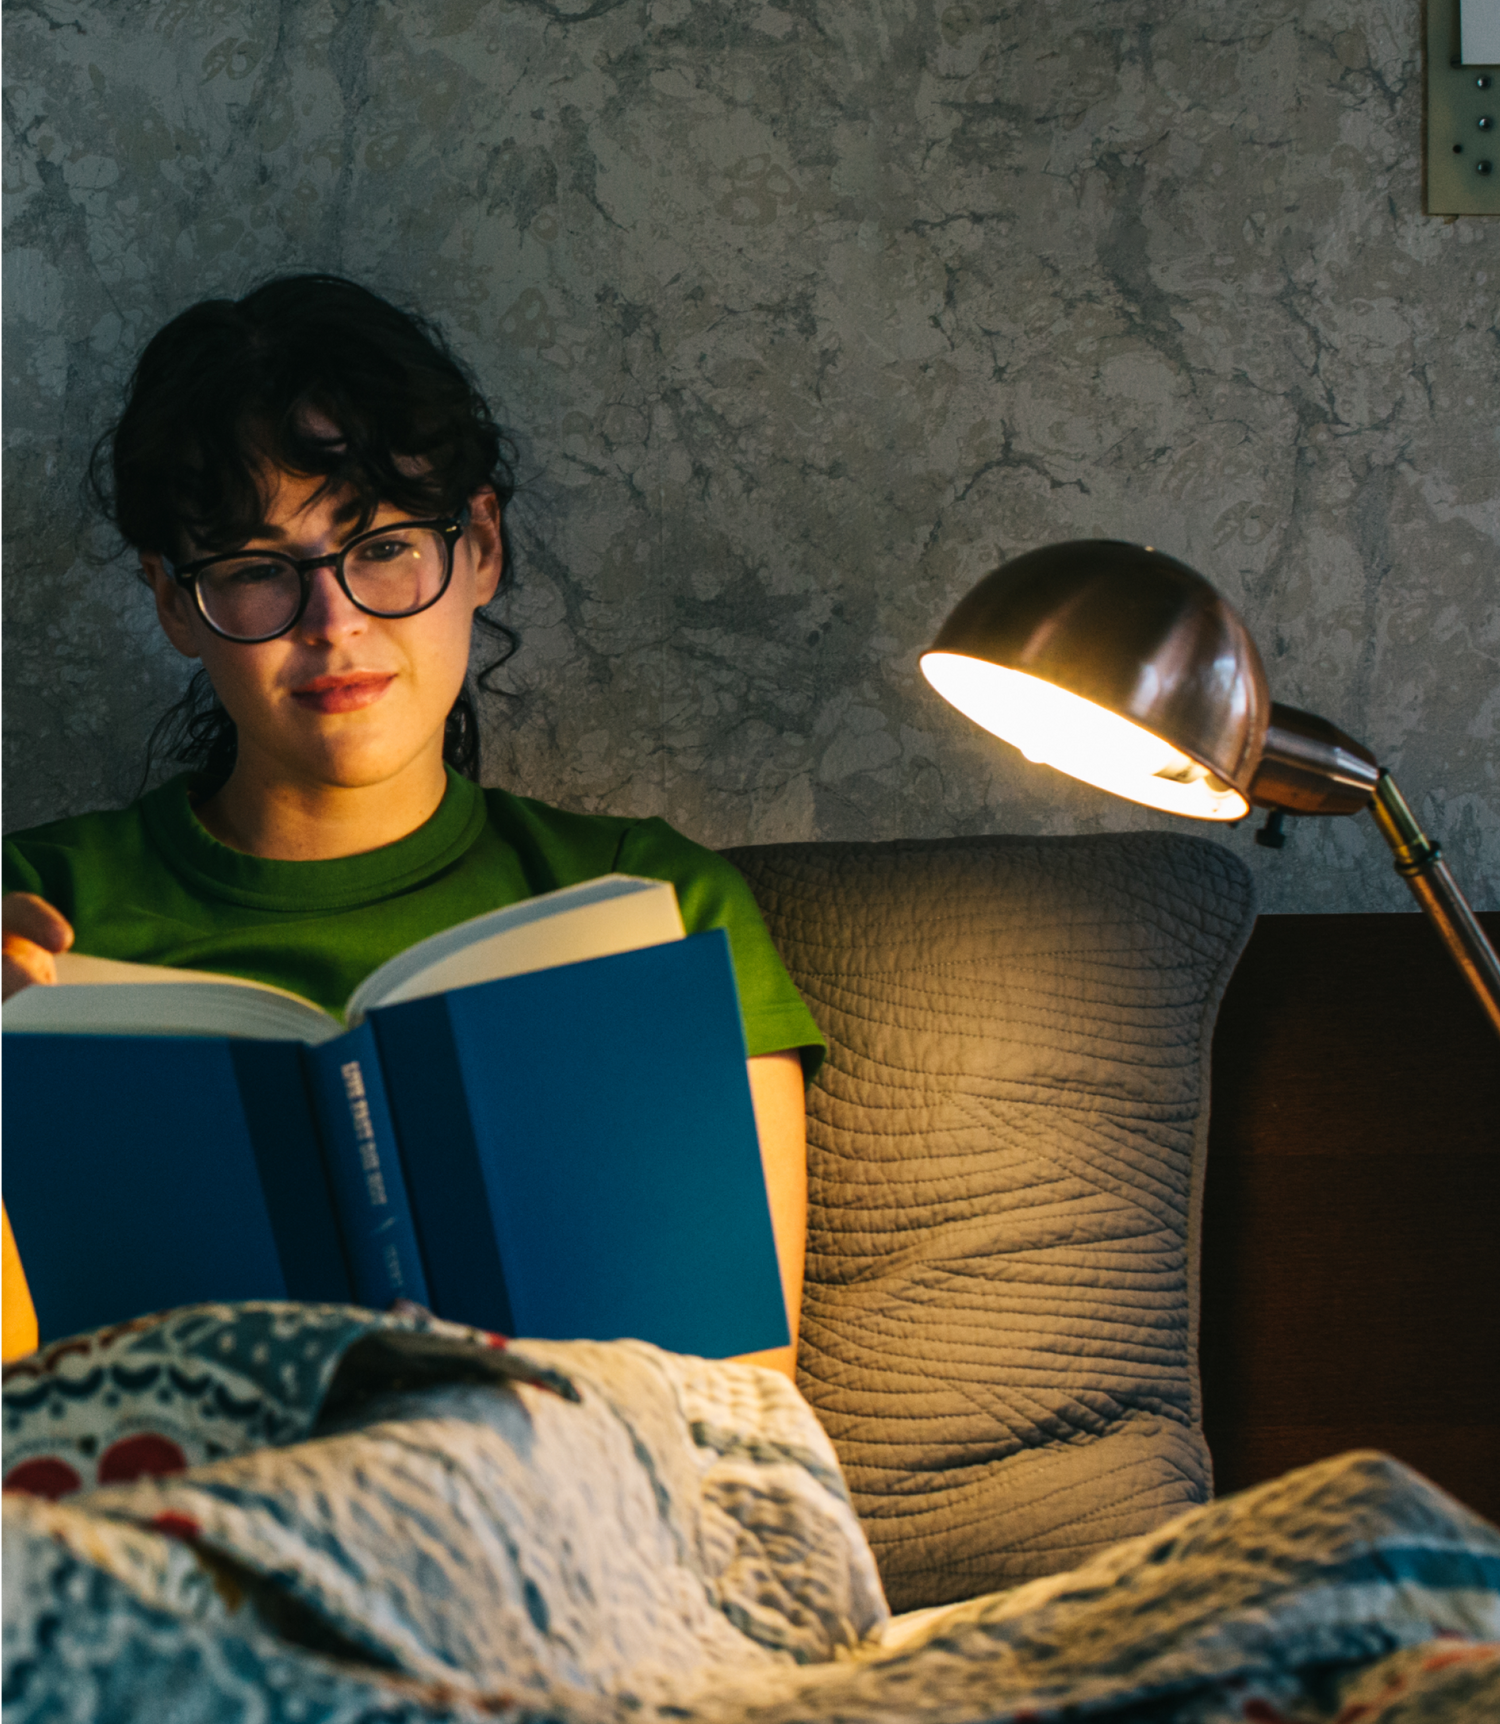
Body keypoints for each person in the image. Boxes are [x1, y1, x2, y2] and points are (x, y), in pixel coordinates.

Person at [0, 275, 823, 1373]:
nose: (333, 623)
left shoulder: (656, 903)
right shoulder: (37, 914)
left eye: (383, 546)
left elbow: (743, 1400)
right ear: (173, 599)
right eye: (257, 570)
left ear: (479, 543)